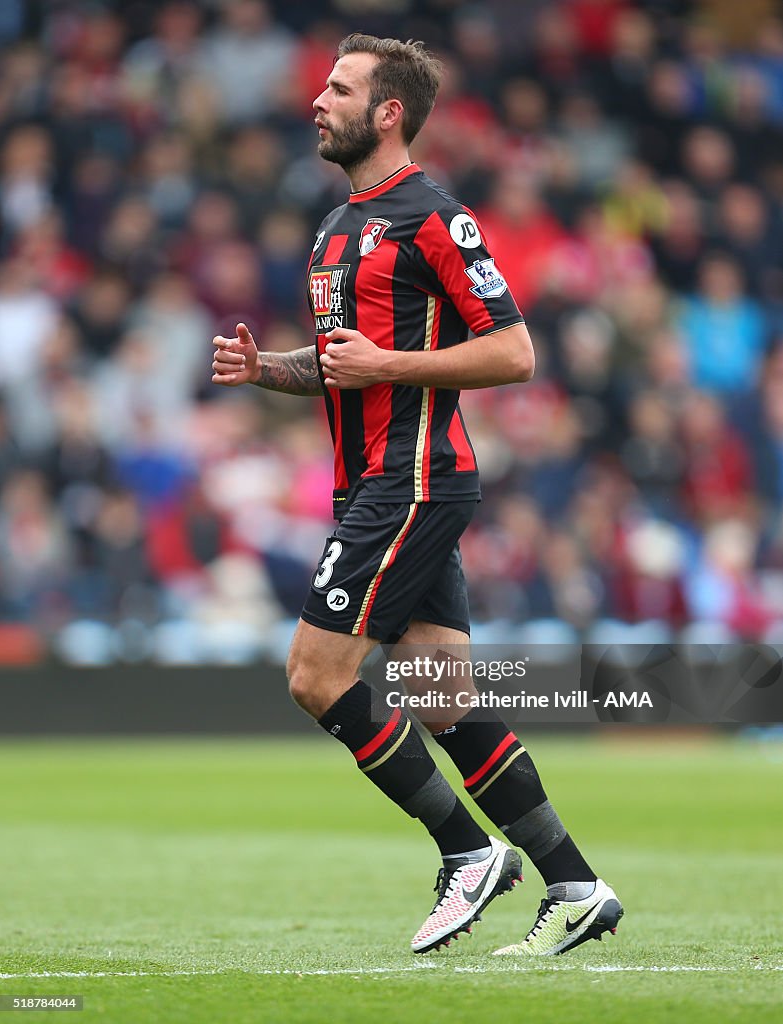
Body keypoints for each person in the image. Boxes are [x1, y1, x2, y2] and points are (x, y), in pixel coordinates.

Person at [211, 33, 623, 956]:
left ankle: (465, 850)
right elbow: (340, 370)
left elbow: (514, 352)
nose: (317, 100)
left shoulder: (434, 217)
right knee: (441, 694)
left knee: (315, 677)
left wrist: (389, 361)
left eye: (339, 87)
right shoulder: (334, 227)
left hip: (411, 481)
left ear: (387, 112)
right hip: (376, 484)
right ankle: (574, 880)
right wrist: (265, 370)